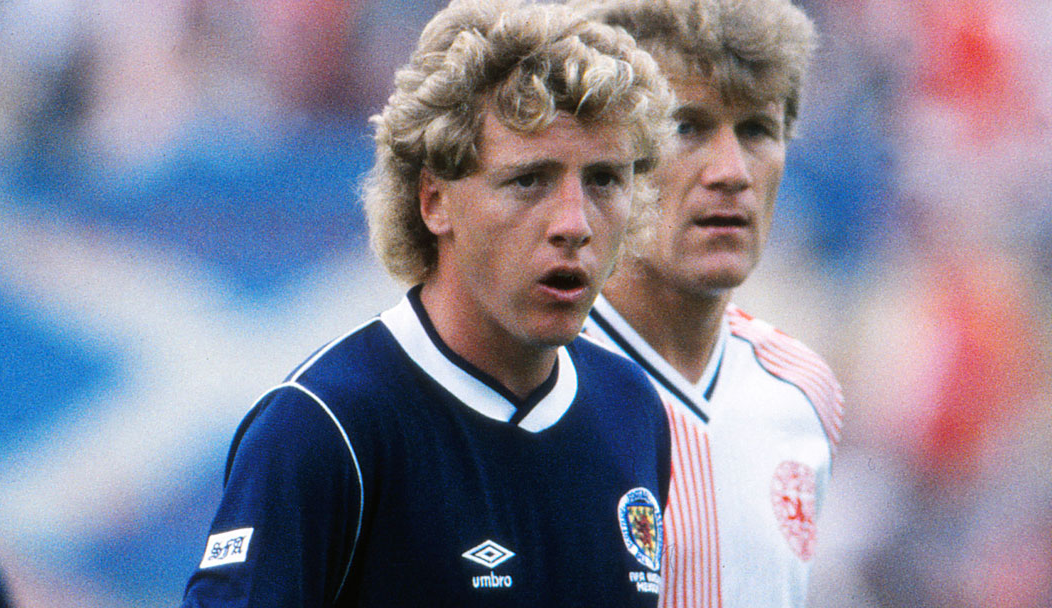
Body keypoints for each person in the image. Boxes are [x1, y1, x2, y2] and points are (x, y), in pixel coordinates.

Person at [179, 0, 676, 605]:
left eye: (604, 180)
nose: (574, 223)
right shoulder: (323, 426)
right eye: (528, 180)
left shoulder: (633, 408)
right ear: (434, 201)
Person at [571, 0, 845, 606]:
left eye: (756, 130)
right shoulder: (530, 380)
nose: (732, 172)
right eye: (687, 127)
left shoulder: (804, 391)